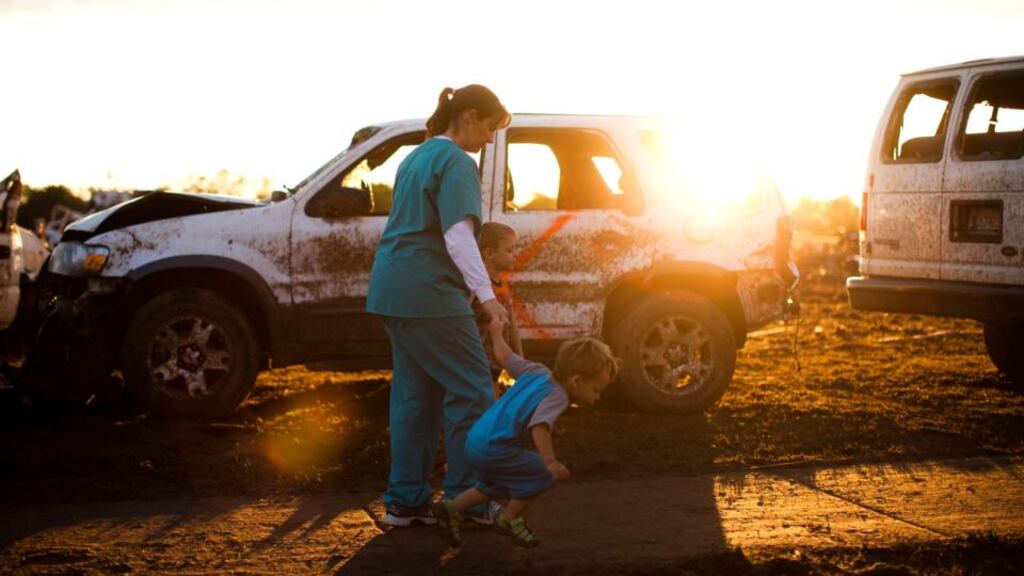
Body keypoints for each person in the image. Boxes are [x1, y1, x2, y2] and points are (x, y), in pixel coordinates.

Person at [365, 85, 512, 527]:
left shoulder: (416, 156)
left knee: (416, 397)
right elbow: (457, 235)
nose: (488, 139)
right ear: (469, 116)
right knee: (473, 392)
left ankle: (406, 502)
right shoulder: (455, 161)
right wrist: (488, 297)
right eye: (489, 126)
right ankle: (469, 502)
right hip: (430, 293)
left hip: (393, 288)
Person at [432, 318, 618, 548]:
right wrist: (550, 462)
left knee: (498, 483)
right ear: (577, 380)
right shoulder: (557, 395)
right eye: (596, 390)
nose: (597, 397)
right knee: (542, 475)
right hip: (496, 447)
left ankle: (451, 508)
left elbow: (504, 356)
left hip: (476, 440)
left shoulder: (536, 371)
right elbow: (539, 425)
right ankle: (509, 520)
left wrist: (496, 332)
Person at [470, 222, 523, 398]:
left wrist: (520, 361)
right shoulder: (476, 286)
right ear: (489, 253)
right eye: (509, 250)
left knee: (492, 402)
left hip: (495, 360)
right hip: (476, 361)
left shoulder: (504, 284)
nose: (514, 256)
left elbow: (512, 323)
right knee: (482, 406)